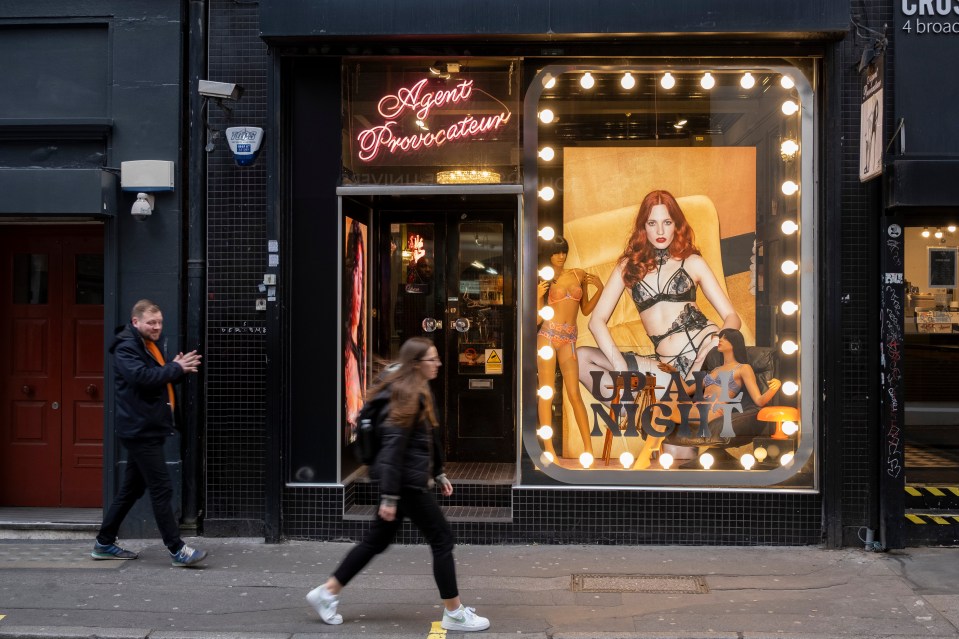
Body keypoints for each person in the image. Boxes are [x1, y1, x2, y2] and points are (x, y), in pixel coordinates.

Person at [306, 337, 490, 632]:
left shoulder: (413, 389)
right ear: (417, 364)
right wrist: (391, 496)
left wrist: (439, 472)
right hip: (405, 483)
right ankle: (454, 613)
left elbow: (426, 438)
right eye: (433, 359)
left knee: (376, 541)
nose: (439, 364)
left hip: (404, 480)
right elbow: (393, 449)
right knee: (442, 539)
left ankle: (327, 591)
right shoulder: (406, 394)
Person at [578, 189, 743, 396]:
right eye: (652, 223)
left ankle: (671, 404)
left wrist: (715, 342)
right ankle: (631, 407)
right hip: (666, 368)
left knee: (692, 402)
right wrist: (620, 366)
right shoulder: (627, 266)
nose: (660, 231)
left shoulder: (692, 262)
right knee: (581, 358)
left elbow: (732, 317)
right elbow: (596, 321)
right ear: (643, 227)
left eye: (667, 222)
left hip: (704, 355)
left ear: (676, 225)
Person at [92, 299, 207, 567]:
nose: (157, 327)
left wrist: (176, 370)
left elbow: (157, 377)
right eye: (151, 323)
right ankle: (177, 549)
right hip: (140, 430)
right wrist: (175, 368)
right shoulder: (126, 347)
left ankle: (104, 543)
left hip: (146, 427)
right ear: (136, 322)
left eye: (159, 322)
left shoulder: (147, 345)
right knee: (161, 489)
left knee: (131, 490)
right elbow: (142, 378)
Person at [638, 327, 782, 468]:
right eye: (720, 337)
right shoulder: (715, 370)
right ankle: (650, 449)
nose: (720, 340)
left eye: (725, 339)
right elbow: (688, 390)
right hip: (696, 408)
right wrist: (674, 372)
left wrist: (775, 386)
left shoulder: (743, 368)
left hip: (712, 411)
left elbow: (759, 400)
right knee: (661, 404)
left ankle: (647, 453)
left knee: (664, 406)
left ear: (734, 344)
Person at [536, 235, 603, 457]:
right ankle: (549, 450)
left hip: (569, 338)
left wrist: (600, 290)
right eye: (556, 252)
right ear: (549, 254)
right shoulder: (543, 279)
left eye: (563, 251)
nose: (561, 256)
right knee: (547, 393)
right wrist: (538, 298)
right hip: (548, 334)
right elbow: (536, 321)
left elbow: (584, 310)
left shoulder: (578, 274)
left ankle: (588, 450)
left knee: (574, 393)